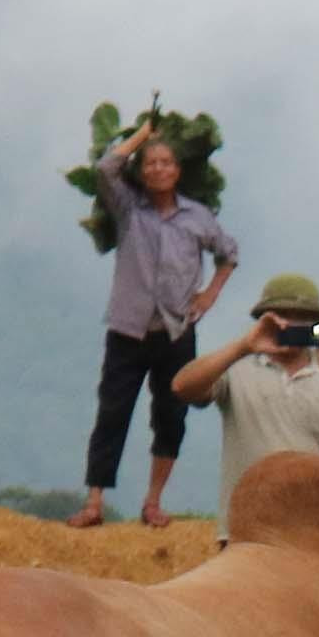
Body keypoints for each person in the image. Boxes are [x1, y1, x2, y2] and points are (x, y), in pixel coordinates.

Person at [72, 113, 239, 530]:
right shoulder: (128, 208)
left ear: (179, 171)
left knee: (170, 415)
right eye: (150, 163)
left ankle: (153, 501)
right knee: (113, 412)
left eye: (166, 163)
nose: (158, 169)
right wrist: (141, 136)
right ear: (141, 171)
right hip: (127, 328)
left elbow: (229, 253)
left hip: (177, 330)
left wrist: (210, 294)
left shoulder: (197, 216)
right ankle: (94, 502)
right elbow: (106, 168)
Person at [170, 273, 319, 542]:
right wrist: (243, 347)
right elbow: (181, 387)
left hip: (314, 533)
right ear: (265, 320)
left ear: (318, 326)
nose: (290, 324)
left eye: (302, 318)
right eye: (282, 316)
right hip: (245, 533)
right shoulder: (236, 370)